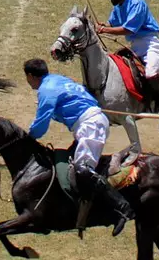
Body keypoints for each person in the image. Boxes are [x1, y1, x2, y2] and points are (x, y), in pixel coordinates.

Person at [22, 58, 133, 235]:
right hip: (90, 122)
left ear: (30, 75)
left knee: (82, 171)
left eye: (27, 78)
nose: (27, 82)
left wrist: (28, 139)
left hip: (89, 125)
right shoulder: (58, 80)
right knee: (71, 166)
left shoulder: (46, 90)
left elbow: (41, 123)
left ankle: (122, 207)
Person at [97, 0, 159, 93]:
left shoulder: (136, 3)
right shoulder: (118, 7)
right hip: (134, 47)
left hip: (150, 44)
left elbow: (128, 30)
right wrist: (102, 26)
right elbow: (112, 23)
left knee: (150, 73)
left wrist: (104, 30)